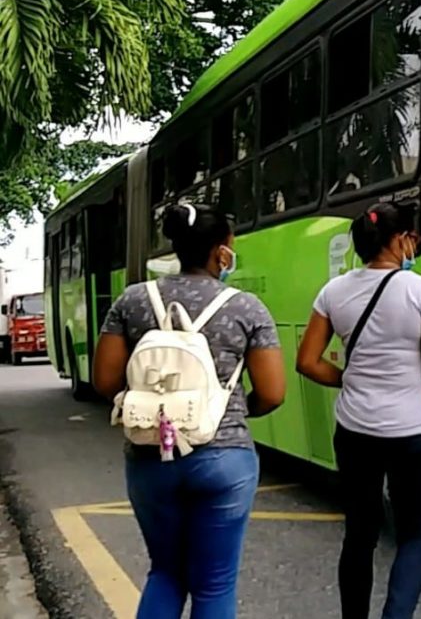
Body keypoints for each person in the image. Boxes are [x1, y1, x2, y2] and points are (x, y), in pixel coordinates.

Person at [92, 203, 286, 619]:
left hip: (150, 455)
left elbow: (105, 382)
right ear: (223, 252)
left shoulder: (132, 301)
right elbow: (272, 393)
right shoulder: (246, 307)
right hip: (224, 456)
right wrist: (229, 412)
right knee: (214, 585)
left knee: (165, 572)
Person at [296, 202, 421, 619]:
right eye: (412, 237)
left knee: (360, 534)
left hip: (355, 430)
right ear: (399, 240)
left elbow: (307, 361)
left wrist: (347, 380)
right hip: (411, 432)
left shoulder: (333, 292)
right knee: (415, 534)